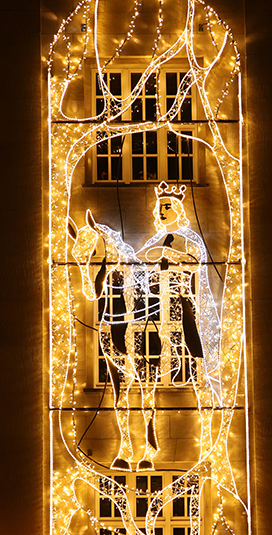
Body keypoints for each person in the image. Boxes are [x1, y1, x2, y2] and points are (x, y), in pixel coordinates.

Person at [72, 180, 221, 471]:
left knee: (184, 318)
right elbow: (137, 266)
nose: (163, 211)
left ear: (178, 210)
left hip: (176, 294)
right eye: (160, 207)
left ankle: (190, 361)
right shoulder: (153, 241)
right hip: (152, 295)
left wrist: (173, 259)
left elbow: (196, 262)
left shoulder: (189, 238)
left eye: (168, 206)